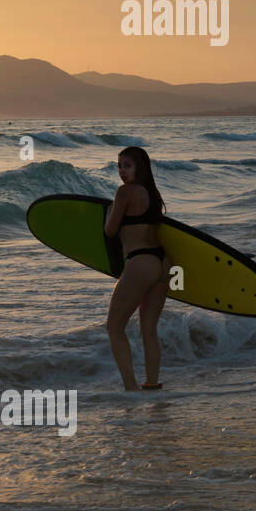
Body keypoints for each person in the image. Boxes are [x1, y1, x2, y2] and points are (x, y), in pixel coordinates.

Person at [102, 146, 169, 391]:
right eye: (119, 166)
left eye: (127, 165)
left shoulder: (125, 192)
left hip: (140, 263)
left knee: (114, 326)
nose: (121, 171)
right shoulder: (153, 193)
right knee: (149, 329)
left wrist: (111, 210)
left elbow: (110, 230)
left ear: (139, 167)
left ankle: (130, 388)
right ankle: (152, 384)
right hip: (162, 264)